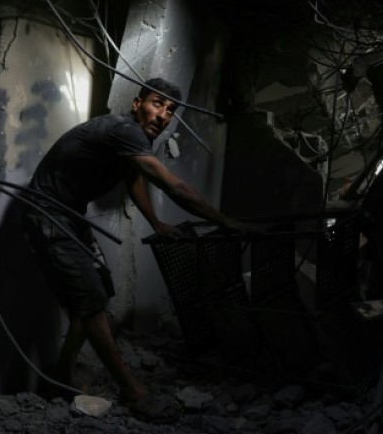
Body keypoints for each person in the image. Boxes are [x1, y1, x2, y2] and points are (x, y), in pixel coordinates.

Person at [20, 77, 247, 405]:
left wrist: (156, 222)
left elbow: (133, 178)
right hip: (47, 216)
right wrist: (225, 220)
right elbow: (175, 187)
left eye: (171, 111)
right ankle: (131, 390)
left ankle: (61, 375)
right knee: (93, 301)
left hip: (69, 216)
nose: (163, 116)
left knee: (96, 291)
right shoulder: (124, 130)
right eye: (157, 104)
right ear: (136, 104)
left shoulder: (137, 139)